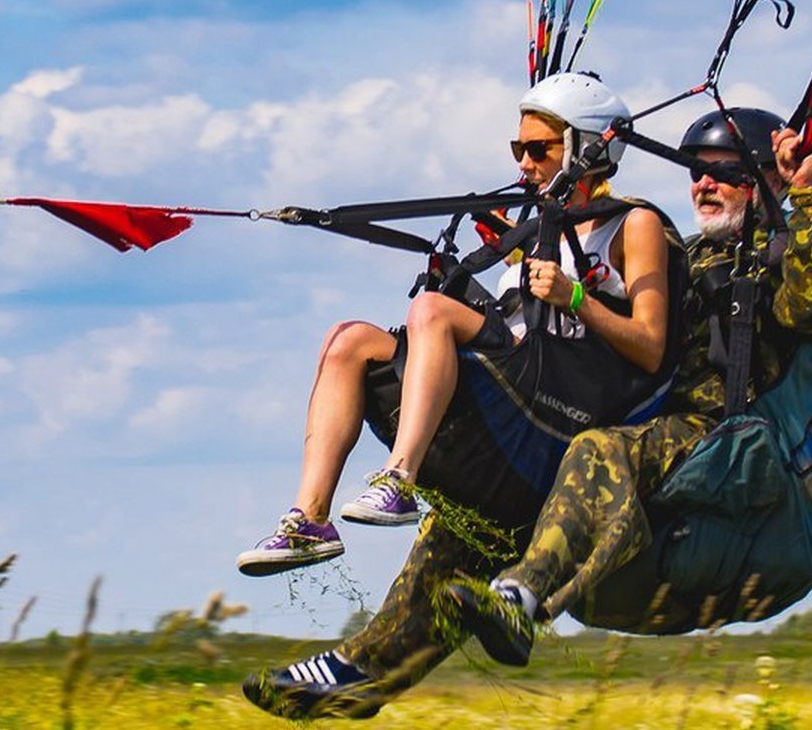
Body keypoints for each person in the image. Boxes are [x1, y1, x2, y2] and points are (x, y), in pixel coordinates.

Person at [244, 105, 812, 718]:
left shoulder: (791, 250)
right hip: (647, 423)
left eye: (723, 170)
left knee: (598, 450)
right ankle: (362, 672)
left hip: (725, 443)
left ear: (765, 176)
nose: (703, 184)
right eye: (694, 171)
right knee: (470, 517)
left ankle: (524, 597)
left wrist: (806, 196)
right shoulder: (692, 254)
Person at [237, 72, 684, 580]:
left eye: (538, 149)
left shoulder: (633, 222)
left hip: (561, 395)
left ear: (584, 147)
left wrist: (574, 296)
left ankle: (399, 480)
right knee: (348, 340)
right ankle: (310, 520)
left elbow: (650, 347)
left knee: (431, 311)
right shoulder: (538, 219)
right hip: (513, 369)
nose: (523, 163)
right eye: (518, 147)